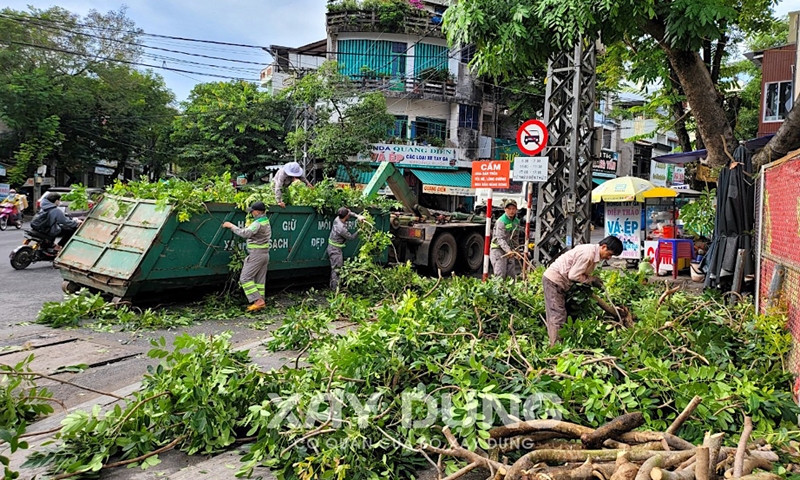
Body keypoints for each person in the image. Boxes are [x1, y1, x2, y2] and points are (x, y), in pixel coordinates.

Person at [542, 236, 623, 347]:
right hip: (554, 281)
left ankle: (563, 343)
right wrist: (591, 280)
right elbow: (573, 275)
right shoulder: (588, 255)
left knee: (567, 314)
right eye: (609, 254)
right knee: (557, 315)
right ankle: (556, 349)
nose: (609, 258)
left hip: (563, 283)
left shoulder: (593, 254)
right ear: (604, 247)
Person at [222, 201, 272, 311]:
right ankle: (260, 302)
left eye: (253, 211)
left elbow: (245, 233)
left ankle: (258, 300)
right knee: (259, 280)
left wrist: (231, 226)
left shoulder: (258, 223)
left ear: (258, 212)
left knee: (245, 278)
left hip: (256, 254)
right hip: (264, 254)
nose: (252, 213)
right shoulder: (265, 221)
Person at [327, 207, 365, 290]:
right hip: (335, 250)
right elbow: (351, 237)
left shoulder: (338, 218)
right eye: (349, 214)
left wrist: (358, 216)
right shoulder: (341, 229)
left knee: (336, 269)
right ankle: (335, 290)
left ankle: (334, 287)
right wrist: (360, 230)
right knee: (337, 270)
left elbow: (350, 213)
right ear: (346, 216)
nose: (350, 214)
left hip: (334, 247)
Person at [490, 199, 520, 278]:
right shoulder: (501, 221)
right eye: (509, 209)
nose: (511, 211)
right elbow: (500, 238)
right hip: (498, 249)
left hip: (509, 250)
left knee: (511, 275)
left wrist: (517, 251)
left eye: (513, 209)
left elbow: (515, 237)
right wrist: (508, 250)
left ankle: (510, 290)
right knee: (500, 274)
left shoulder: (516, 221)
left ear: (516, 210)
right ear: (505, 209)